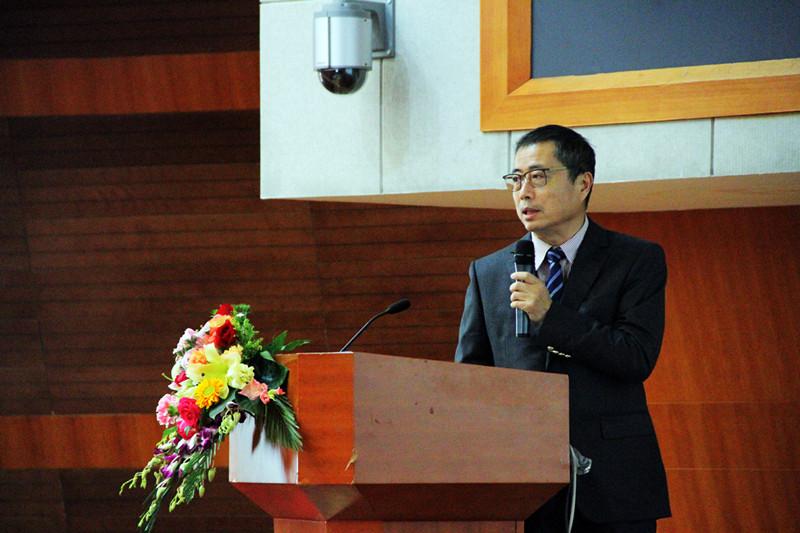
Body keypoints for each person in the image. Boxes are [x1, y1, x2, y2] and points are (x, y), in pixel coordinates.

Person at [455, 125, 671, 533]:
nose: (523, 192)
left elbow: (636, 356)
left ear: (583, 183)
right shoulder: (489, 271)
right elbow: (471, 378)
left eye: (538, 177)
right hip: (521, 482)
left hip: (612, 481)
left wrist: (551, 317)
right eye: (516, 179)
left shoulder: (636, 259)